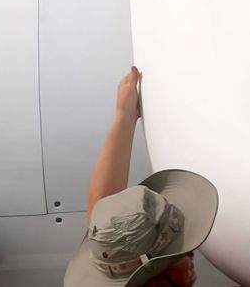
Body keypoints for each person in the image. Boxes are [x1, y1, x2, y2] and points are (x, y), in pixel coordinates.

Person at [64, 67, 218, 287]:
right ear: (164, 278)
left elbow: (108, 218)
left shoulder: (114, 251)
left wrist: (124, 116)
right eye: (182, 253)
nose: (191, 257)